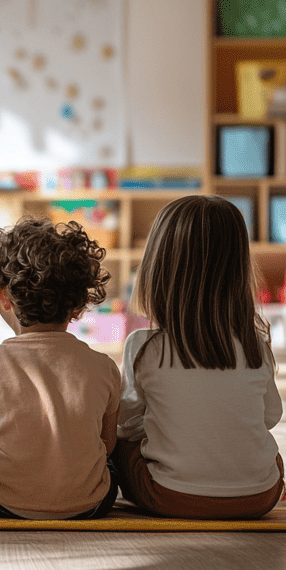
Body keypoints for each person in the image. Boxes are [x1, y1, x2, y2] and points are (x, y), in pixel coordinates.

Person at [115, 194, 283, 519]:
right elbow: (269, 417)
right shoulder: (255, 346)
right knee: (271, 457)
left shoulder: (143, 345)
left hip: (170, 497)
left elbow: (125, 424)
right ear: (239, 270)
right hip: (259, 498)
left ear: (157, 268)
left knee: (117, 448)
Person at [0, 217, 120, 520]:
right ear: (79, 303)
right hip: (90, 505)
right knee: (106, 463)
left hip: (3, 503)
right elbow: (107, 443)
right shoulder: (105, 368)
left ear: (3, 296)